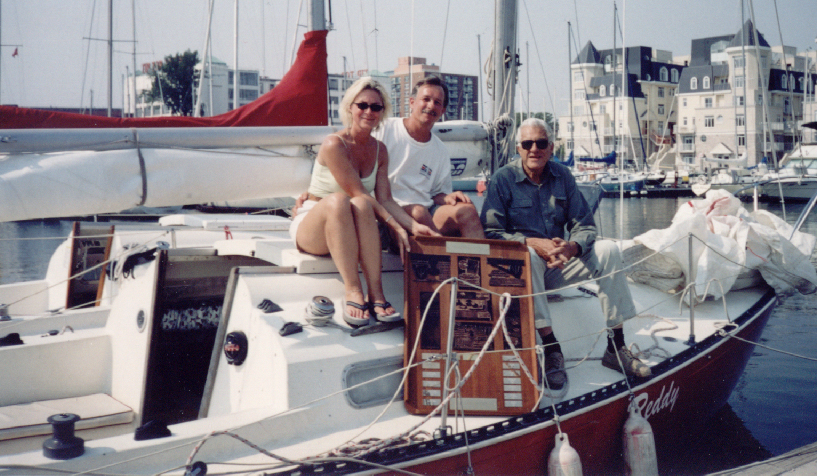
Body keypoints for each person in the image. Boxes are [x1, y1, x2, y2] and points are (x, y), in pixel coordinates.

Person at [480, 117, 651, 389]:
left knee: (608, 249)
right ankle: (551, 349)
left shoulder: (563, 176)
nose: (534, 149)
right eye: (527, 144)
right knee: (530, 256)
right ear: (518, 148)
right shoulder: (504, 179)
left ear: (551, 147)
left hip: (559, 265)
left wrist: (571, 247)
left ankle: (616, 346)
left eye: (541, 143)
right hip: (522, 273)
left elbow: (584, 225)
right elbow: (490, 232)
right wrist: (535, 244)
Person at [290, 77, 438, 326]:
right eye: (363, 105)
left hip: (349, 227)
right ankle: (353, 290)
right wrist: (396, 227)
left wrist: (412, 227)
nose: (369, 112)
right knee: (341, 200)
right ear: (350, 107)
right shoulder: (333, 144)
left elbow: (385, 200)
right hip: (313, 226)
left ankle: (376, 293)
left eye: (376, 107)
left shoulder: (380, 150)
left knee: (360, 205)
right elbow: (358, 191)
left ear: (382, 112)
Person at [373, 76, 484, 239]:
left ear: (443, 111)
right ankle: (445, 254)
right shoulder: (385, 130)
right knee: (418, 212)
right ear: (412, 102)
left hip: (427, 212)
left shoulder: (440, 150)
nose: (431, 106)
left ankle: (479, 262)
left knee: (467, 210)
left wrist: (447, 197)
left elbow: (437, 194)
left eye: (437, 102)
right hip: (388, 214)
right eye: (426, 99)